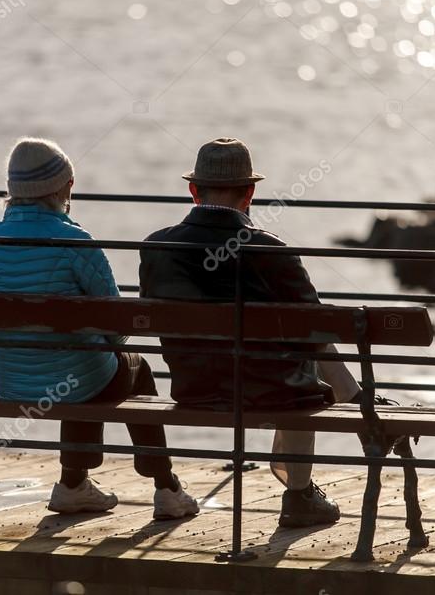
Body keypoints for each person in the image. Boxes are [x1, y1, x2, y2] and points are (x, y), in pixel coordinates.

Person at [139, 137, 366, 528]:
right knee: (306, 353)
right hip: (268, 394)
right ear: (250, 194)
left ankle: (345, 412)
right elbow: (318, 324)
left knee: (300, 345)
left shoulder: (156, 247)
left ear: (193, 191)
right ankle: (300, 492)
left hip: (194, 389)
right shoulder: (268, 249)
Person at [0, 137, 198, 520]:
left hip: (9, 381)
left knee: (80, 366)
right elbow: (115, 322)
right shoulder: (76, 242)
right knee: (121, 367)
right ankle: (166, 487)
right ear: (65, 188)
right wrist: (108, 344)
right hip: (72, 379)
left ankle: (74, 485)